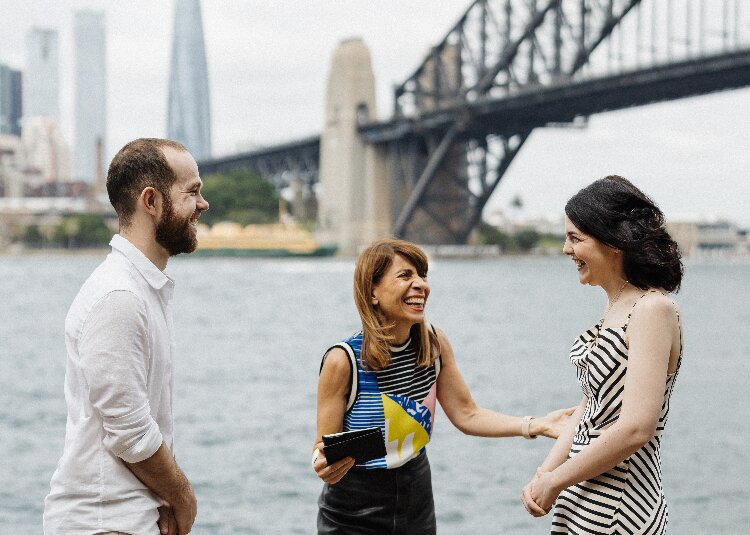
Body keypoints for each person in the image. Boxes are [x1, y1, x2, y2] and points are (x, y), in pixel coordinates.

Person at [313, 238, 574, 534]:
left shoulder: (435, 344)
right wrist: (322, 463)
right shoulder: (342, 361)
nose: (420, 285)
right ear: (372, 292)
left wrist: (536, 425)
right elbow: (323, 449)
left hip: (416, 496)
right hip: (353, 510)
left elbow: (467, 414)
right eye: (405, 276)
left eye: (422, 276)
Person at [43, 138, 209, 535]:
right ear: (151, 201)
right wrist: (184, 499)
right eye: (193, 192)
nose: (203, 205)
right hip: (104, 524)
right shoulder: (119, 297)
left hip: (127, 520)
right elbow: (130, 432)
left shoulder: (139, 289)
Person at [520, 175, 684, 534]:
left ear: (614, 244)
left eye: (575, 238)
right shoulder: (616, 307)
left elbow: (636, 428)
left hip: (620, 508)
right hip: (583, 501)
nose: (566, 249)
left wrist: (555, 481)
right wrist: (545, 473)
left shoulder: (652, 308)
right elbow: (589, 408)